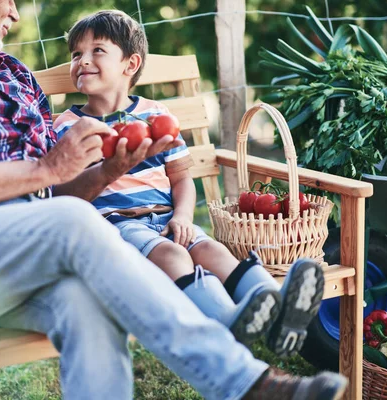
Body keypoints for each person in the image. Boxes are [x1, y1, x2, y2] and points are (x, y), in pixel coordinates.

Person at [0, 0, 347, 399]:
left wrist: (107, 172)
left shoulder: (14, 77)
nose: (15, 12)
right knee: (66, 221)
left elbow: (53, 194)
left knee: (86, 304)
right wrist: (46, 169)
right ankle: (243, 383)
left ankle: (243, 366)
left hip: (20, 252)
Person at [55, 9, 323, 357]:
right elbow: (66, 189)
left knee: (210, 249)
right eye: (76, 54)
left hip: (168, 218)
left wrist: (182, 216)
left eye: (97, 51)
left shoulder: (157, 118)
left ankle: (274, 305)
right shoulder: (68, 126)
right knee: (171, 253)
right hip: (117, 225)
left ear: (130, 64)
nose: (82, 61)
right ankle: (228, 320)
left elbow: (182, 179)